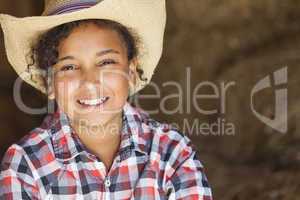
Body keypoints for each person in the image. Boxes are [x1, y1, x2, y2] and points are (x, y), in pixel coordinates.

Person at [0, 0, 213, 199]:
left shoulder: (172, 153)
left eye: (105, 62)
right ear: (49, 82)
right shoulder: (26, 166)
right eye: (69, 67)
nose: (90, 82)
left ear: (131, 72)